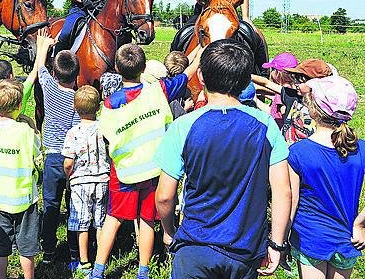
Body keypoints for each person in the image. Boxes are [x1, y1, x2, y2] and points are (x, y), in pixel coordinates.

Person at [154, 39, 292, 279]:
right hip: (245, 249)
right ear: (245, 81)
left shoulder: (182, 127)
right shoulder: (266, 126)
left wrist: (168, 231)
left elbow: (165, 196)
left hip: (194, 247)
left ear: (201, 76)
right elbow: (283, 192)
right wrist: (277, 243)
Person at [89, 43, 202, 279]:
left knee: (114, 218)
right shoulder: (157, 90)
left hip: (124, 172)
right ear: (143, 68)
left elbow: (107, 136)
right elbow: (187, 73)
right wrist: (201, 46)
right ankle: (143, 271)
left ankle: (97, 270)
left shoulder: (109, 104)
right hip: (153, 170)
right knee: (147, 220)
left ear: (117, 68)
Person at [288, 75, 365, 279]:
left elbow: (292, 201)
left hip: (310, 237)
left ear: (314, 110)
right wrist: (361, 223)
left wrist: (280, 240)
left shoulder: (298, 152)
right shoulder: (361, 149)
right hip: (347, 237)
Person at [0, 56, 40, 256]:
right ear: (11, 77)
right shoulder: (21, 104)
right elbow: (33, 75)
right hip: (20, 191)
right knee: (24, 226)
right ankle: (20, 246)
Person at [36, 32, 82, 266]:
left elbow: (39, 68)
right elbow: (75, 133)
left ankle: (48, 251)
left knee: (51, 205)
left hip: (52, 158)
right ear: (76, 77)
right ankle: (75, 253)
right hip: (71, 159)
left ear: (54, 74)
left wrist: (43, 45)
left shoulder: (49, 89)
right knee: (73, 205)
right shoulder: (77, 100)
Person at [62, 85, 111, 275]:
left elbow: (68, 163)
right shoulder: (104, 129)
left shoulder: (73, 133)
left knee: (81, 223)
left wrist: (69, 177)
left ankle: (84, 261)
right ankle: (100, 259)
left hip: (80, 182)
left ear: (75, 107)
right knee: (100, 222)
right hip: (102, 179)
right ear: (98, 107)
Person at [252, 58, 332, 144]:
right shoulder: (293, 95)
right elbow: (266, 83)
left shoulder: (323, 110)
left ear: (312, 83)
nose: (295, 83)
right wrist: (245, 75)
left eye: (299, 81)